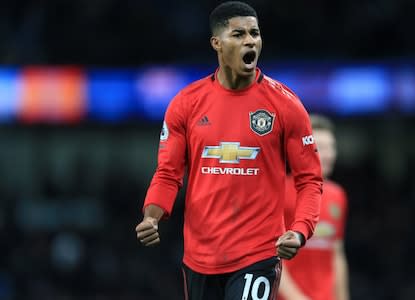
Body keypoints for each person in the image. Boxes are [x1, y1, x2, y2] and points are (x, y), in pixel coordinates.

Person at [134, 2, 323, 299]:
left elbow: (310, 180)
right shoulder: (186, 103)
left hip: (258, 254)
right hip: (199, 257)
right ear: (217, 43)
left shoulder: (286, 105)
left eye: (255, 33)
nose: (250, 41)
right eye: (238, 34)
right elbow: (168, 173)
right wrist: (151, 216)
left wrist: (299, 230)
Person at [279, 114, 350, 300]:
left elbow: (337, 253)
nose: (328, 154)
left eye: (331, 147)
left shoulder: (338, 195)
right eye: (321, 148)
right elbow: (271, 256)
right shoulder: (281, 191)